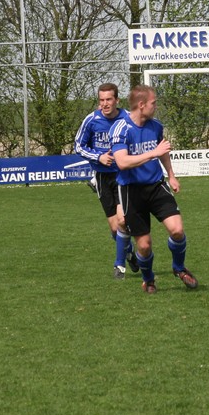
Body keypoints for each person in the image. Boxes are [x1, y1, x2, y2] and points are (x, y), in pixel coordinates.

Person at [110, 84, 198, 294]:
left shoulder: (156, 126)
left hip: (156, 186)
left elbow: (162, 151)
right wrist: (153, 153)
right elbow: (122, 162)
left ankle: (179, 268)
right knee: (144, 246)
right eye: (153, 103)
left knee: (177, 230)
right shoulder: (121, 128)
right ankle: (148, 279)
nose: (155, 106)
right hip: (131, 191)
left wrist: (171, 175)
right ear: (141, 105)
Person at [74, 83, 139, 279]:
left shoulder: (127, 118)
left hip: (123, 176)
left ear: (117, 100)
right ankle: (129, 253)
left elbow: (137, 143)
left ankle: (119, 266)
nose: (105, 103)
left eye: (109, 99)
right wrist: (98, 157)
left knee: (122, 221)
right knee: (114, 228)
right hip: (102, 177)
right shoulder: (91, 120)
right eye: (101, 100)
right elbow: (78, 146)